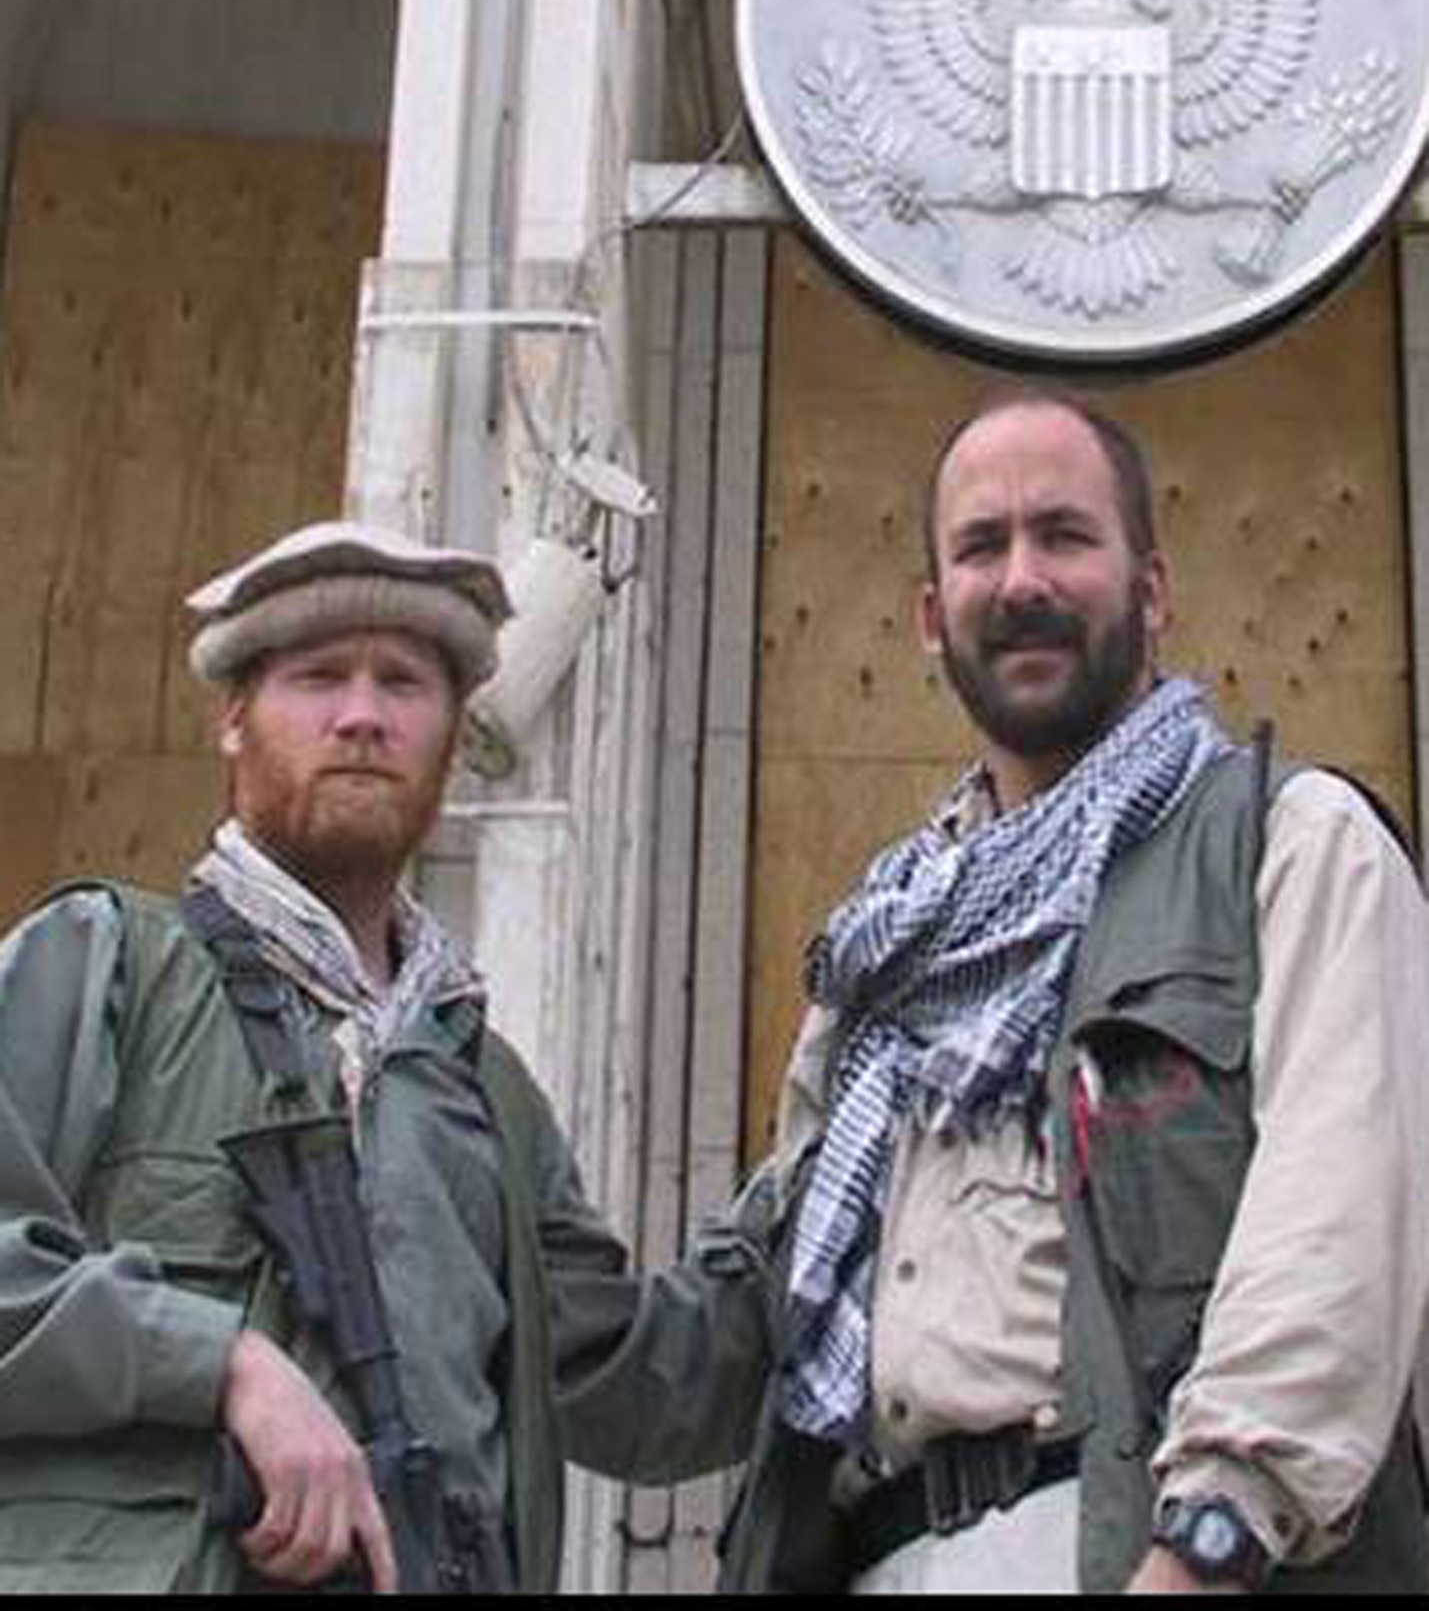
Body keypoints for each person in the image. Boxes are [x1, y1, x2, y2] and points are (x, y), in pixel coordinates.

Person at [690, 390, 1429, 1594]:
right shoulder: (888, 938)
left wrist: (1208, 1542)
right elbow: (764, 1293)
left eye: (1064, 535)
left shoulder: (1288, 841)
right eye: (982, 546)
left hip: (1147, 1552)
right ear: (933, 618)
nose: (1021, 576)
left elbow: (1335, 1227)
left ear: (1152, 590)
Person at [0, 520, 768, 1594]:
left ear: (450, 736)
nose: (362, 714)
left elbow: (648, 1389)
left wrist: (834, 1161)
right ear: (233, 716)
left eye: (403, 683)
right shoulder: (105, 965)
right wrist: (221, 1362)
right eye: (318, 675)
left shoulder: (489, 1092)